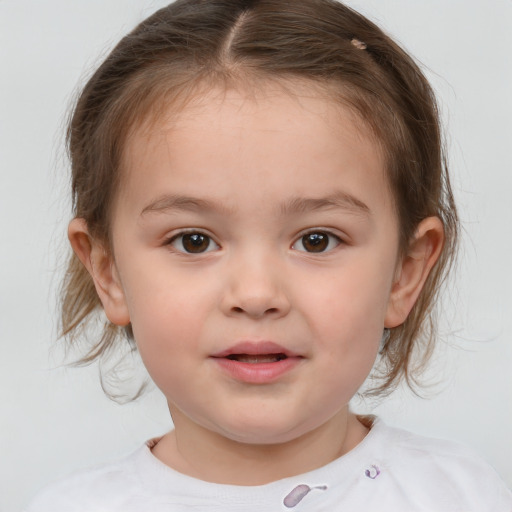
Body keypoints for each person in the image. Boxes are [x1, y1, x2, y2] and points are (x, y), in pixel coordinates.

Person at [24, 0, 512, 510]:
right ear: (109, 273)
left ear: (404, 273)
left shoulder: (461, 497)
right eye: (194, 240)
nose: (256, 295)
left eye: (316, 240)